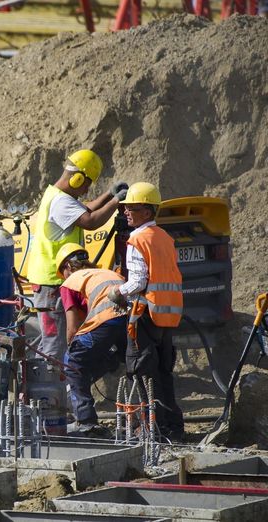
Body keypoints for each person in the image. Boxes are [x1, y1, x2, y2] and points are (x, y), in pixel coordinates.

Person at [26, 149, 128, 363]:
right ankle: (52, 392)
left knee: (61, 340)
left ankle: (61, 389)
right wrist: (117, 201)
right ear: (77, 178)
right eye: (86, 183)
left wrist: (109, 194)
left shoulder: (56, 195)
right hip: (51, 281)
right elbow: (90, 221)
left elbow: (85, 208)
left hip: (56, 279)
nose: (86, 189)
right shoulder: (61, 201)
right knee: (55, 343)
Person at [107, 182, 184, 441]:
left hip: (144, 314)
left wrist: (118, 292)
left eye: (132, 208)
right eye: (126, 207)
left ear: (148, 212)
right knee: (163, 372)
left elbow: (139, 281)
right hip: (166, 315)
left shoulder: (137, 240)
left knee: (142, 371)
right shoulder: (164, 238)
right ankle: (173, 426)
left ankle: (151, 429)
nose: (126, 212)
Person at [55, 243, 128, 433]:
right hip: (130, 320)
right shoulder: (106, 273)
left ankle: (86, 423)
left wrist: (71, 353)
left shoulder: (71, 281)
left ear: (68, 267)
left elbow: (73, 325)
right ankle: (144, 416)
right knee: (123, 358)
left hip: (108, 320)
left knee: (73, 362)